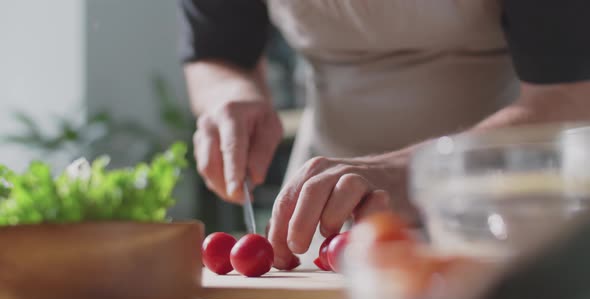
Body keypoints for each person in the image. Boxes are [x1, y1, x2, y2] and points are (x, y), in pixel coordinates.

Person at [178, 0, 590, 270]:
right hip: (325, 205)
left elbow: (569, 95)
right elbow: (217, 52)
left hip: (494, 198)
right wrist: (228, 94)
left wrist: (418, 173)